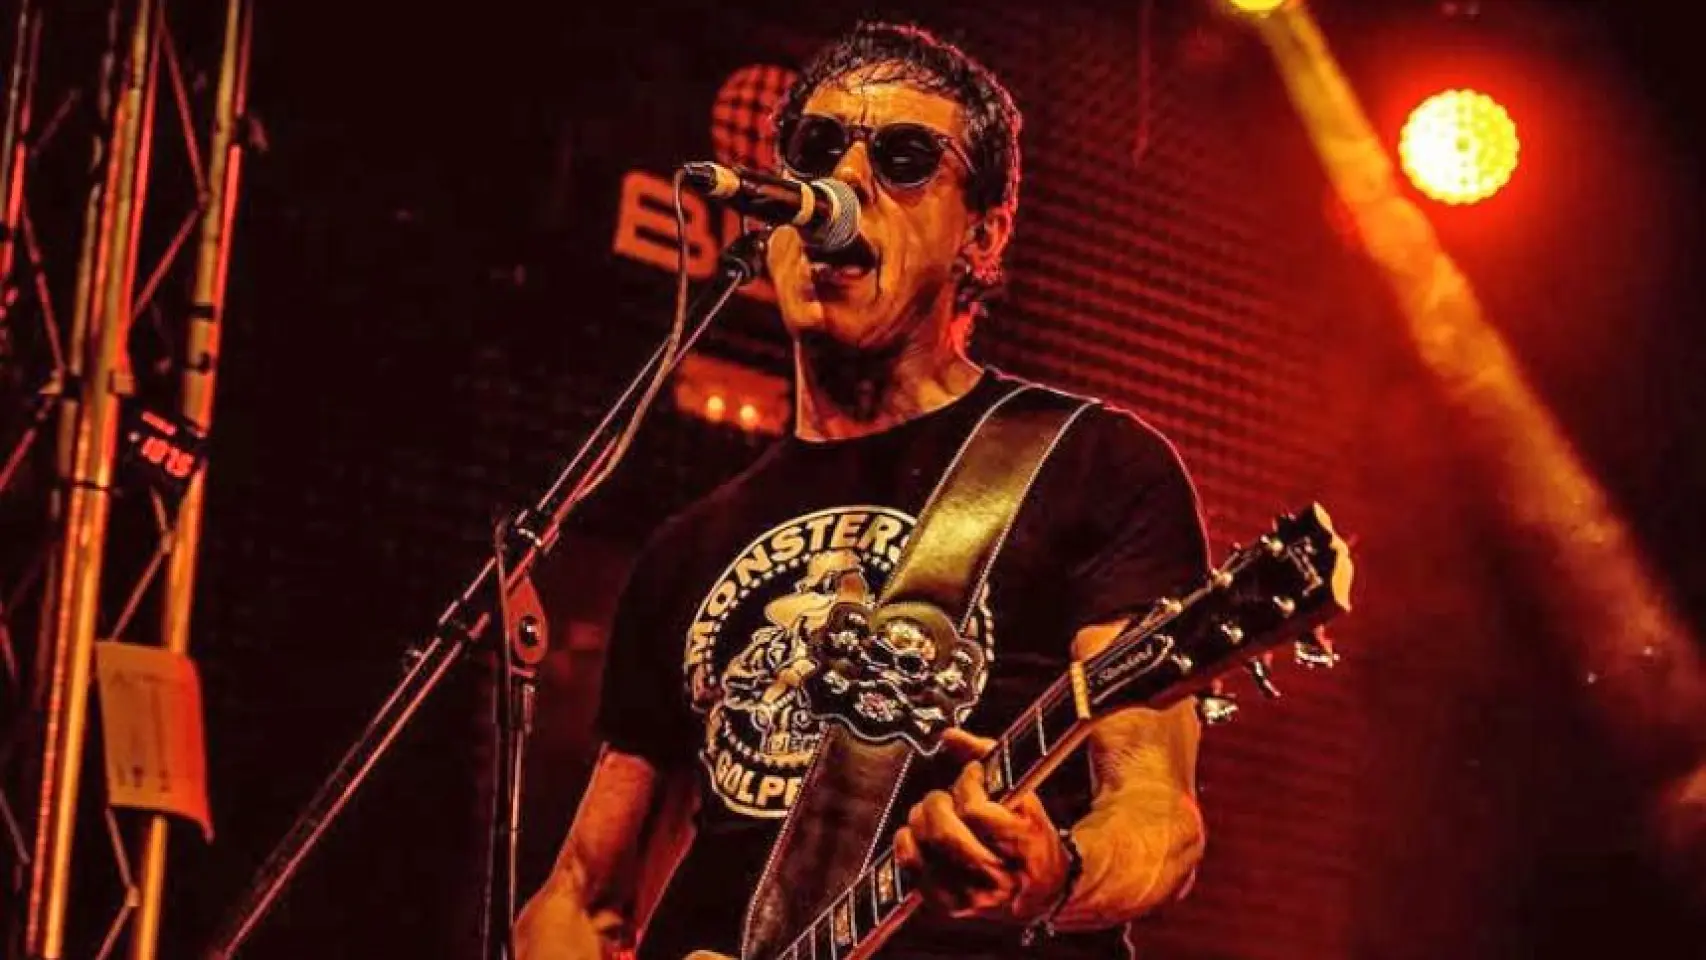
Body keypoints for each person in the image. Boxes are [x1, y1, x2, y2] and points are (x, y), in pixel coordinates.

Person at [516, 20, 1210, 960]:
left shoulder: (1093, 465)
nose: (841, 186)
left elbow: (1158, 814)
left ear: (982, 234)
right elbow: (584, 893)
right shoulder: (687, 546)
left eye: (904, 158)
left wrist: (1056, 874)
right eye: (815, 150)